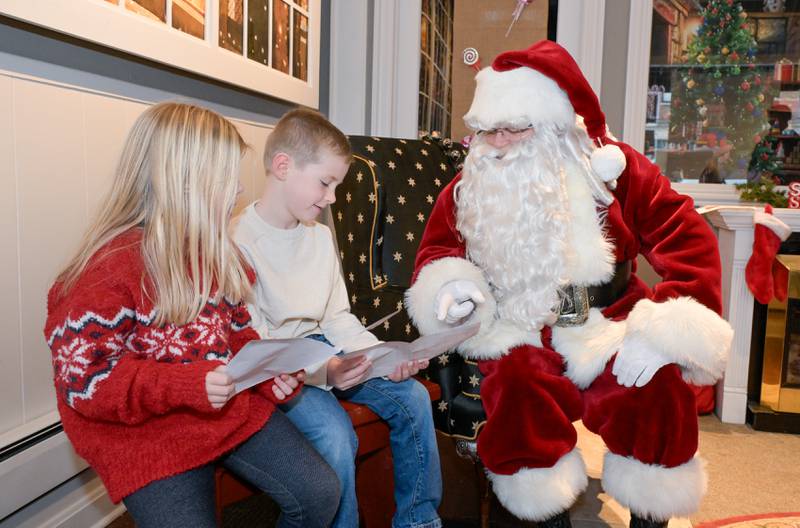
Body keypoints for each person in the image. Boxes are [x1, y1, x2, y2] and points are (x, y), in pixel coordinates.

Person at [406, 41, 733, 528]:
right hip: (518, 324)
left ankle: (652, 514)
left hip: (609, 321)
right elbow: (436, 251)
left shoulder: (614, 169)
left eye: (511, 129)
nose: (494, 143)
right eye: (485, 130)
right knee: (517, 391)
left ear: (552, 125)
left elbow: (689, 239)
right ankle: (545, 515)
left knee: (654, 386)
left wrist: (665, 329)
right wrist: (449, 287)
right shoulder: (469, 184)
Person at [44, 102, 340, 528]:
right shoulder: (104, 271)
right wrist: (187, 384)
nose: (238, 190)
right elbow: (86, 382)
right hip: (144, 434)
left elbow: (237, 332)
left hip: (224, 410)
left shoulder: (217, 254)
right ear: (185, 183)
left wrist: (267, 368)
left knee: (320, 492)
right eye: (227, 179)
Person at [232, 108, 442, 528]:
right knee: (333, 434)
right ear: (283, 166)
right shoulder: (237, 239)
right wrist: (325, 370)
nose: (331, 198)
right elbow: (258, 341)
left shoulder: (320, 236)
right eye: (326, 183)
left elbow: (337, 317)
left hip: (330, 351)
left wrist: (380, 356)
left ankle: (419, 521)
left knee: (415, 398)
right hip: (282, 370)